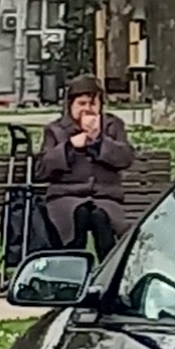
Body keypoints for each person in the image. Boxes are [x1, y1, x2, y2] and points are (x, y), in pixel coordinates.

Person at [36, 75, 133, 259]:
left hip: (105, 197)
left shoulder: (112, 126)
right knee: (77, 217)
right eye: (82, 104)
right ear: (70, 105)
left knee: (100, 217)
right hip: (66, 197)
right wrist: (69, 146)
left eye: (93, 104)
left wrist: (99, 142)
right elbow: (42, 169)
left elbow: (125, 158)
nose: (87, 109)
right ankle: (73, 272)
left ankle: (108, 272)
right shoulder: (56, 130)